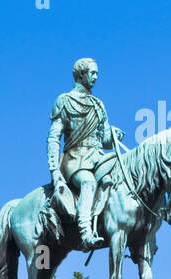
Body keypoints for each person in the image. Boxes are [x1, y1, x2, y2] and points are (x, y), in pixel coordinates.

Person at [47, 56, 125, 249]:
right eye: (92, 73)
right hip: (75, 159)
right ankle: (85, 232)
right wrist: (54, 170)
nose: (96, 77)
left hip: (97, 157)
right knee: (88, 182)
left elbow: (105, 140)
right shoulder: (64, 101)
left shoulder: (98, 105)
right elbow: (53, 138)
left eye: (97, 73)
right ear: (81, 74)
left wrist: (114, 135)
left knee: (121, 172)